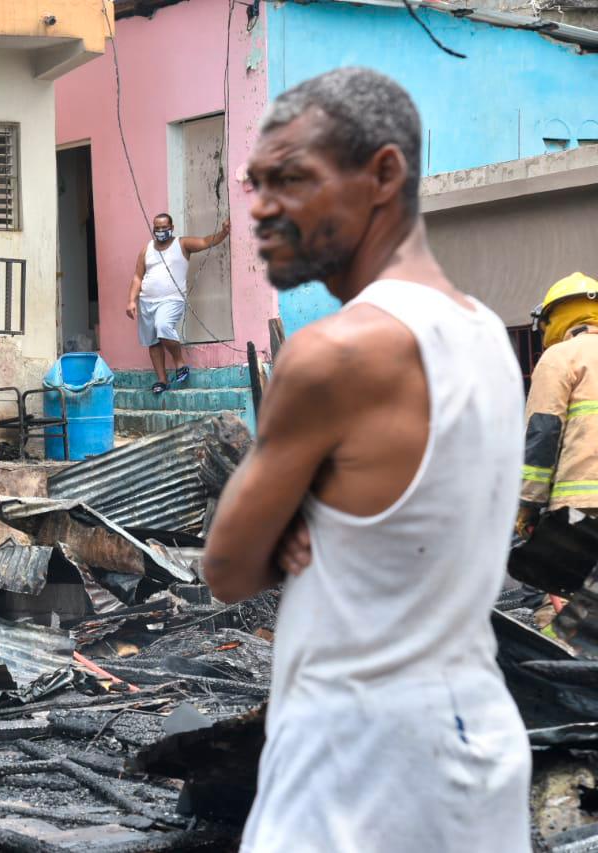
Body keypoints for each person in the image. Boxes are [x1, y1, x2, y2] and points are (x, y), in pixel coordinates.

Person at [202, 67, 530, 851]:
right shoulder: (486, 332)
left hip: (357, 770)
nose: (261, 207)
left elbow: (228, 566)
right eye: (255, 183)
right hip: (476, 752)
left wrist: (286, 516)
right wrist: (309, 506)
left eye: (292, 179)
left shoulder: (335, 354)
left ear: (383, 174)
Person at [516, 272, 598, 540]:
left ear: (554, 318)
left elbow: (544, 431)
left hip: (583, 509)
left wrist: (529, 502)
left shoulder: (559, 356)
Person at [125, 212, 229, 391]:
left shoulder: (182, 244)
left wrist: (223, 233)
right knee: (153, 342)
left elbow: (205, 242)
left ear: (171, 228)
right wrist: (131, 301)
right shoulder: (146, 249)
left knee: (163, 326)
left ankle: (179, 363)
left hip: (171, 299)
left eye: (164, 228)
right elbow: (137, 277)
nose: (160, 231)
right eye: (157, 228)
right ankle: (162, 380)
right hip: (147, 302)